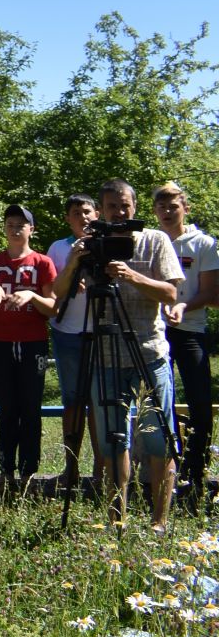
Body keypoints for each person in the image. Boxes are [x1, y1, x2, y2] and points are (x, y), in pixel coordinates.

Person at [49, 180, 184, 530]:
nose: (118, 212)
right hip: (105, 355)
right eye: (111, 206)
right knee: (112, 442)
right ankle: (116, 520)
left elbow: (171, 293)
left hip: (148, 351)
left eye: (124, 205)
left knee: (158, 440)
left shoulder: (155, 241)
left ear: (134, 206)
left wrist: (131, 275)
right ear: (102, 210)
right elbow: (58, 293)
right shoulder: (91, 244)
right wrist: (75, 261)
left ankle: (159, 521)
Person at [0, 205, 57, 493]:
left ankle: (29, 473)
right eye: (10, 223)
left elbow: (53, 308)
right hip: (1, 343)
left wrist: (31, 295)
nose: (15, 228)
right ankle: (5, 471)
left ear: (31, 229)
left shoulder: (42, 263)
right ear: (4, 228)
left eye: (21, 224)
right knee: (7, 409)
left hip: (33, 342)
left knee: (30, 408)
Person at [154, 181, 219, 498]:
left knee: (200, 404)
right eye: (161, 207)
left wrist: (181, 305)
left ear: (185, 208)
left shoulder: (203, 243)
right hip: (153, 332)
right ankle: (158, 471)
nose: (167, 212)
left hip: (190, 330)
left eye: (173, 206)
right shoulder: (148, 242)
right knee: (153, 405)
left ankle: (195, 474)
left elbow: (211, 293)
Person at [44, 194, 104, 490]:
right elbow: (55, 291)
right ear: (68, 218)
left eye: (88, 211)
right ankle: (72, 469)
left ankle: (101, 471)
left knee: (100, 403)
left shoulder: (110, 243)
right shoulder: (58, 247)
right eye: (76, 213)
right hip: (68, 332)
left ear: (98, 214)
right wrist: (72, 264)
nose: (83, 217)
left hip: (103, 331)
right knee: (73, 402)